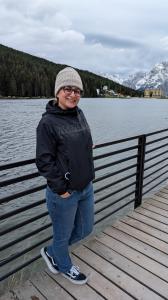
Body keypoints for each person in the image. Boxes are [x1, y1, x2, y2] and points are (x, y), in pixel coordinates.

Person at [36, 67, 95, 285]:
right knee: (62, 236)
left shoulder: (79, 113)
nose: (73, 94)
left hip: (86, 186)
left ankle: (52, 252)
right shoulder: (47, 123)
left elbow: (83, 141)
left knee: (85, 229)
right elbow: (44, 161)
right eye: (68, 89)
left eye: (77, 90)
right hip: (64, 193)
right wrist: (61, 188)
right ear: (58, 91)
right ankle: (63, 264)